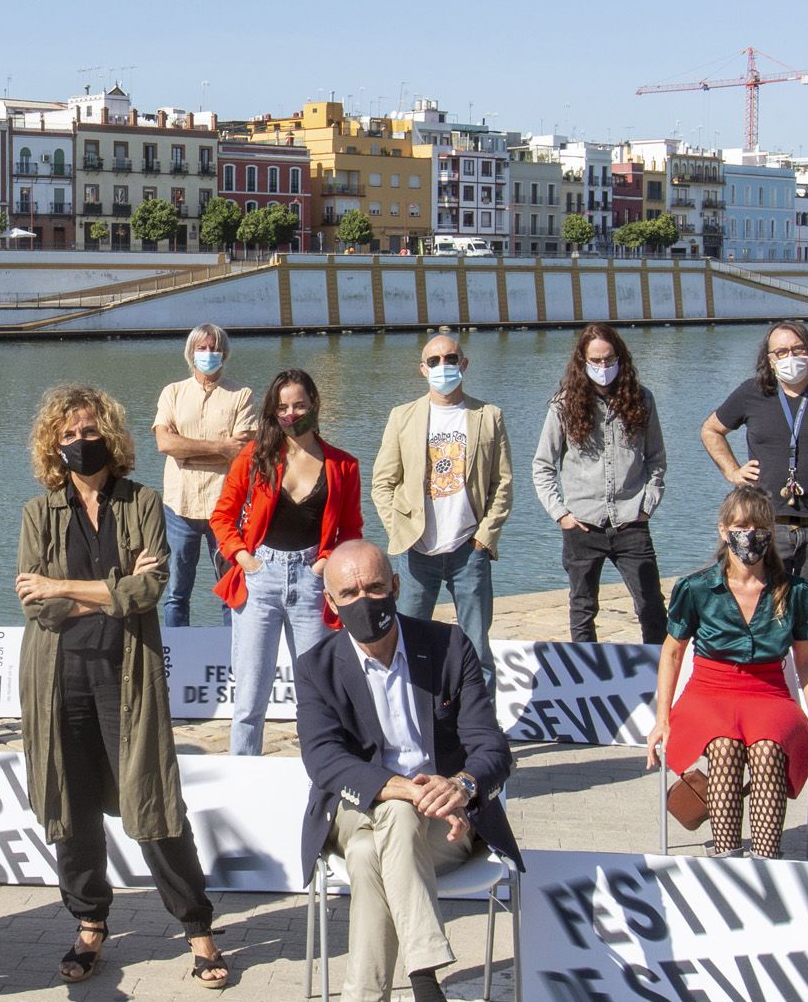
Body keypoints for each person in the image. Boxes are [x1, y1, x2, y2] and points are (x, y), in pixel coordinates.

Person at [12, 384, 232, 990]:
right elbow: (38, 609)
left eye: (89, 432)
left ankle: (198, 927)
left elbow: (149, 590)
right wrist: (106, 591)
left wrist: (64, 586)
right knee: (72, 808)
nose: (80, 443)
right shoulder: (39, 511)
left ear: (108, 436)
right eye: (69, 435)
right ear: (53, 446)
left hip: (126, 675)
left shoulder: (142, 502)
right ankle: (89, 924)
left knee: (156, 803)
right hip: (57, 679)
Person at [295, 538, 516, 1002]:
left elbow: (491, 744)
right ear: (331, 602)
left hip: (447, 823)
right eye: (349, 593)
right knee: (387, 818)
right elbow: (324, 762)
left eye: (373, 587)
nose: (364, 601)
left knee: (373, 856)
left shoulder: (446, 646)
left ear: (394, 585)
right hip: (358, 811)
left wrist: (463, 785)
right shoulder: (316, 667)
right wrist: (407, 789)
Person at [647, 488, 808, 858]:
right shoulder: (696, 588)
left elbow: (807, 662)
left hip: (768, 691)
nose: (750, 536)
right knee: (724, 747)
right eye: (740, 526)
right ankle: (726, 855)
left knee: (768, 750)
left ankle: (767, 857)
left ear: (771, 532)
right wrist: (661, 719)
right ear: (724, 531)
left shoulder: (796, 593)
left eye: (759, 527)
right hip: (708, 689)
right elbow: (672, 654)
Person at [209, 368, 364, 754]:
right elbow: (222, 516)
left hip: (313, 580)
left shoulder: (343, 466)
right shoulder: (256, 456)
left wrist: (324, 562)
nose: (291, 414)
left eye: (299, 405)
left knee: (320, 690)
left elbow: (351, 528)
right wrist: (244, 558)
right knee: (249, 695)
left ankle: (326, 772)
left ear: (314, 404)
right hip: (260, 577)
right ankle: (242, 774)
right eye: (283, 407)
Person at [698, 321, 808, 651]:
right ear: (770, 358)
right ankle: (765, 681)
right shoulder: (752, 393)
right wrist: (732, 471)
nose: (791, 357)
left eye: (798, 349)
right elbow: (711, 430)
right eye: (781, 351)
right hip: (765, 526)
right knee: (760, 606)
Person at [369, 330, 513, 663]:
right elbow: (383, 483)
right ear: (423, 369)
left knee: (477, 650)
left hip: (469, 550)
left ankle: (478, 715)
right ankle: (417, 713)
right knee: (406, 644)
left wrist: (485, 538)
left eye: (450, 359)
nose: (443, 365)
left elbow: (502, 483)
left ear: (464, 363)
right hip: (417, 551)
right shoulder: (402, 417)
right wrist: (400, 530)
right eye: (434, 361)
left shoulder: (489, 416)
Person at [531, 322, 668, 644]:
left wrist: (647, 506)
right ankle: (586, 677)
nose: (603, 367)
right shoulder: (564, 405)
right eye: (596, 361)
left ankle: (659, 674)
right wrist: (561, 514)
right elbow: (542, 466)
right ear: (582, 362)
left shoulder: (642, 400)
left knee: (651, 606)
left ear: (620, 358)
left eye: (609, 359)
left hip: (631, 521)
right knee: (582, 607)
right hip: (582, 524)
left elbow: (657, 460)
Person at [151, 323, 256, 628]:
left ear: (224, 353)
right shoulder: (173, 392)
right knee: (176, 592)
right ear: (191, 352)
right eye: (202, 348)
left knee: (231, 590)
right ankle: (178, 651)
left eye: (214, 348)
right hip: (179, 507)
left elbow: (242, 451)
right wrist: (220, 447)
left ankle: (233, 657)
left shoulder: (241, 395)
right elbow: (164, 443)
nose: (208, 354)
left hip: (224, 508)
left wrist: (186, 449)